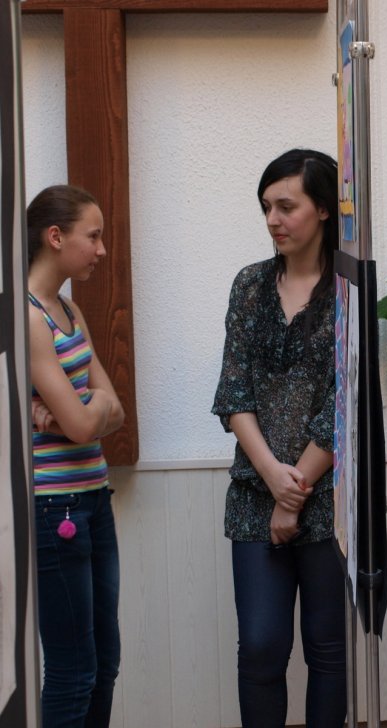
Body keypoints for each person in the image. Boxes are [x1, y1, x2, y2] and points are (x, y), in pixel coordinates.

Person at [212, 149, 346, 728]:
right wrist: (273, 479)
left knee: (328, 649)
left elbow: (345, 403)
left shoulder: (349, 289)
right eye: (266, 207)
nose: (273, 219)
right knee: (262, 647)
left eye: (286, 206)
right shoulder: (249, 285)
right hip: (254, 493)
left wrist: (297, 493)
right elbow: (233, 390)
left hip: (330, 498)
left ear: (323, 208)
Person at [27, 184, 125, 728]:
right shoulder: (28, 316)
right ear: (55, 237)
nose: (101, 250)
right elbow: (89, 422)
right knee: (74, 671)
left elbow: (114, 411)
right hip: (55, 509)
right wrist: (86, 412)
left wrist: (75, 413)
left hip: (93, 497)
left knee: (105, 663)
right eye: (94, 236)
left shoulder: (69, 311)